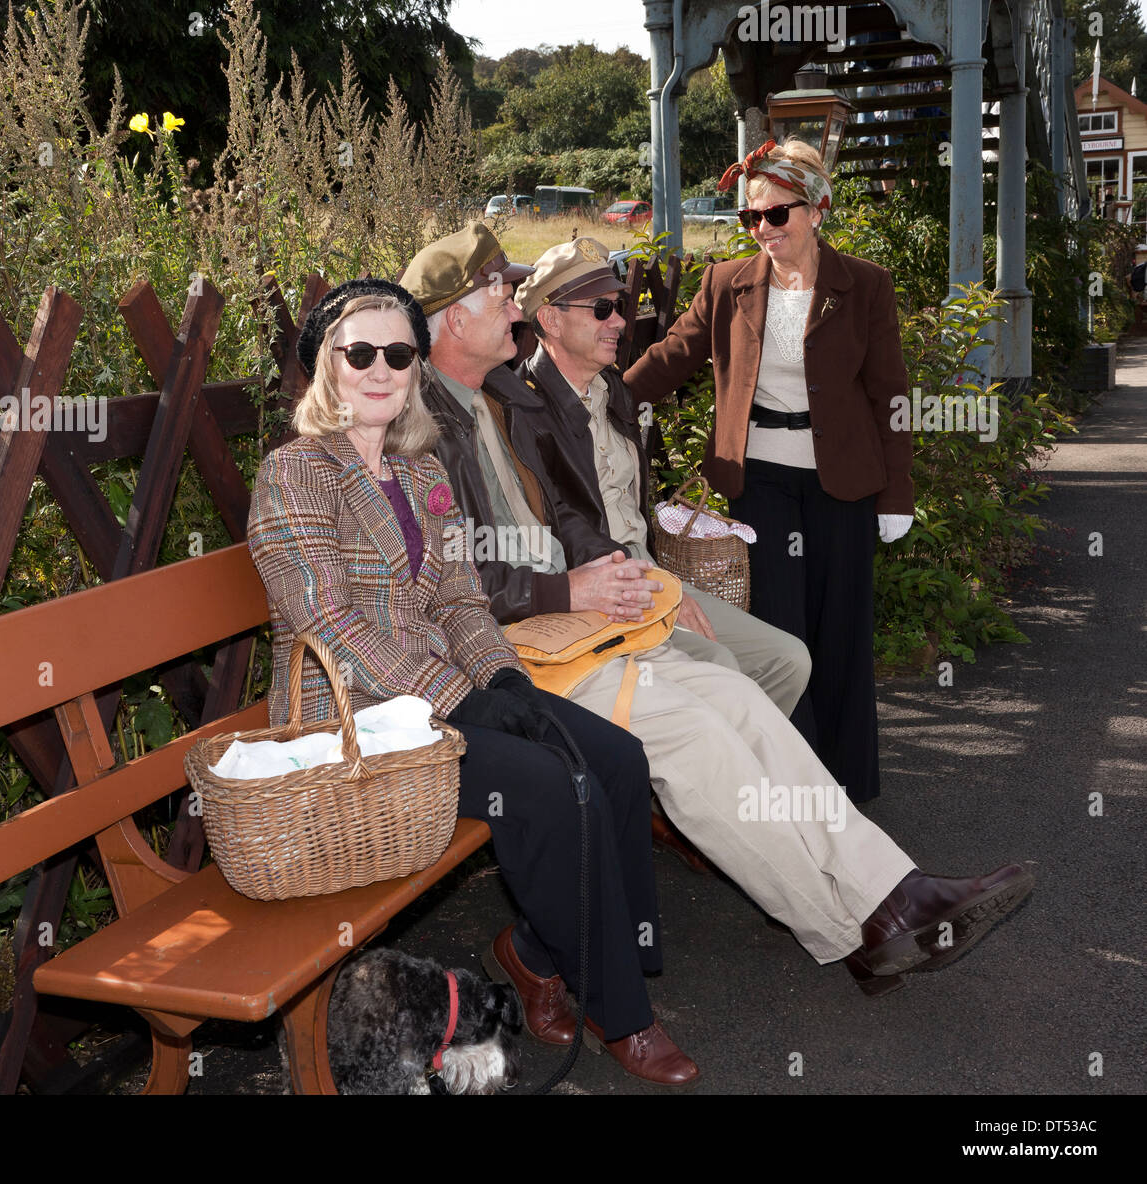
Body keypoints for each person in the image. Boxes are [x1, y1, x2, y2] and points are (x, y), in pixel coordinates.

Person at [401, 222, 1033, 1000]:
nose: (513, 302)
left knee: (742, 699)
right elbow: (447, 580)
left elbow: (564, 515)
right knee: (703, 734)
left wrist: (620, 575)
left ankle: (891, 889)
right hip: (510, 653)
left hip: (576, 622)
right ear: (453, 318)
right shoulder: (419, 425)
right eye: (499, 289)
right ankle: (855, 932)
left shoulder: (496, 395)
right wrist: (575, 587)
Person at [246, 277, 699, 1086]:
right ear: (328, 365)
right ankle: (619, 1011)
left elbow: (459, 599)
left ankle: (573, 957)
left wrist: (505, 678)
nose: (381, 369)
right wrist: (464, 699)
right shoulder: (296, 473)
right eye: (361, 353)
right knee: (546, 785)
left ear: (419, 366)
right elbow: (330, 626)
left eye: (400, 353)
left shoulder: (421, 471)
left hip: (436, 704)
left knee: (616, 758)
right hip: (351, 724)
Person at [625, 137, 911, 804]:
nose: (762, 229)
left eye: (776, 215)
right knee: (782, 633)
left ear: (816, 209)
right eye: (750, 218)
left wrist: (897, 492)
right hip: (759, 482)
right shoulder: (728, 284)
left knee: (841, 629)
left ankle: (849, 780)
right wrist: (600, 394)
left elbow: (890, 396)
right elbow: (675, 355)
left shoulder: (864, 286)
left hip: (843, 481)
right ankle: (797, 781)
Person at [512, 235, 810, 716]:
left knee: (788, 659)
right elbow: (556, 522)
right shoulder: (524, 411)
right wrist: (646, 577)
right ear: (550, 318)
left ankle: (734, 773)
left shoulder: (614, 391)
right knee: (722, 669)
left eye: (622, 305)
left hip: (650, 570)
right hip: (595, 588)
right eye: (603, 308)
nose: (620, 321)